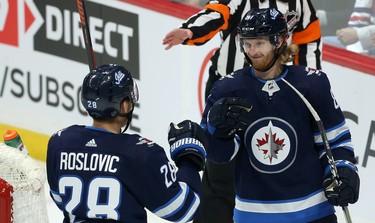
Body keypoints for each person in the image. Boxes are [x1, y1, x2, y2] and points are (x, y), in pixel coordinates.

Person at [162, 1, 322, 222]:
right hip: (231, 93)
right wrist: (191, 30)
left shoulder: (300, 4)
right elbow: (217, 13)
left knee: (270, 166)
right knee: (221, 171)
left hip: (277, 93)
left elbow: (308, 42)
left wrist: (308, 87)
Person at [200, 7, 360, 223]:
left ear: (280, 41)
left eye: (260, 43)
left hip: (314, 214)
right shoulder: (227, 90)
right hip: (253, 216)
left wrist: (345, 171)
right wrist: (216, 131)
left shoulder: (311, 84)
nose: (252, 51)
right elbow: (218, 156)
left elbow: (335, 141)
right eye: (247, 43)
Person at [46, 64, 207, 223]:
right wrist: (189, 160)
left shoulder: (59, 142)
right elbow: (183, 210)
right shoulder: (140, 153)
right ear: (124, 105)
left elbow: (59, 197)